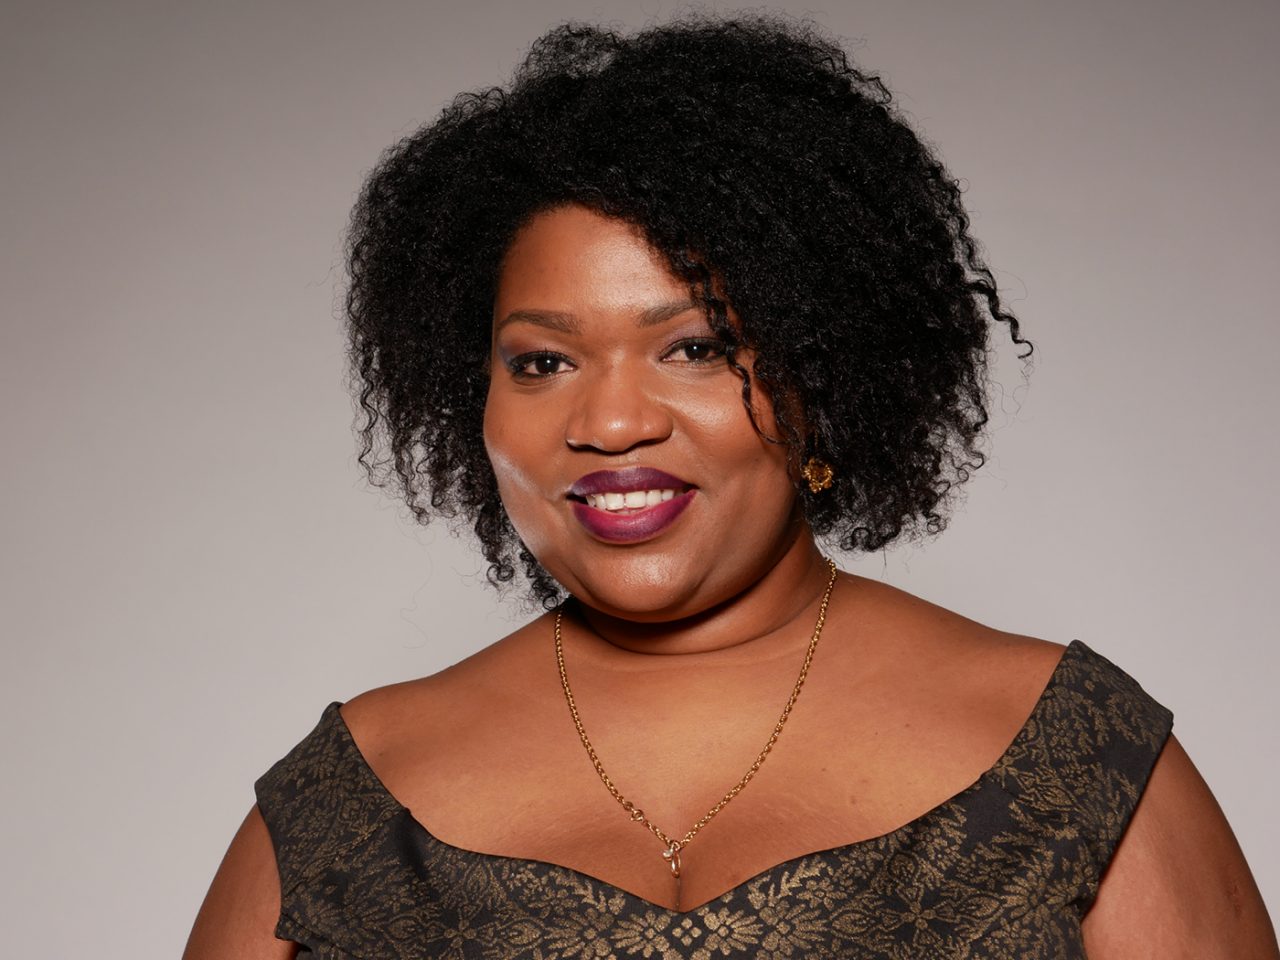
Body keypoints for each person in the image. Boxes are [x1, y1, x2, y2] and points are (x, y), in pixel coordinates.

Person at [184, 15, 1277, 959]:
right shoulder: (345, 801)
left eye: (697, 348)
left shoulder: (1073, 758)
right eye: (543, 361)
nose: (611, 422)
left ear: (823, 372)